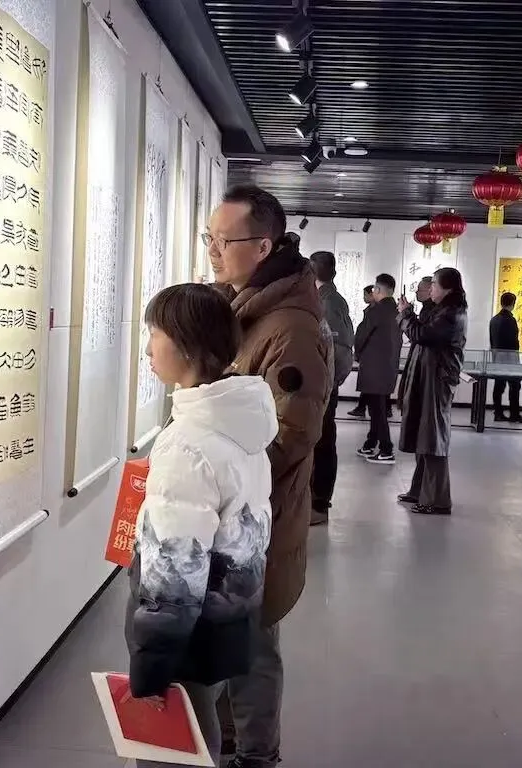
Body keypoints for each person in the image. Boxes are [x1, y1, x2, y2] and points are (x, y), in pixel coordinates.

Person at [125, 284, 277, 768]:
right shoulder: (242, 422)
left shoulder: (188, 444)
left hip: (187, 621)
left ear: (186, 344)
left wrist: (153, 661)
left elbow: (175, 570)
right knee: (201, 716)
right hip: (228, 606)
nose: (148, 349)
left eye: (155, 333)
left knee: (176, 735)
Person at [204, 184, 330, 768]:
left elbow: (292, 434)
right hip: (230, 509)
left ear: (262, 247)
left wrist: (217, 476)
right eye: (208, 238)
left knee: (252, 643)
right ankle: (231, 740)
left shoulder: (290, 328)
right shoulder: (243, 309)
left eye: (222, 240)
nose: (212, 250)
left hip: (257, 515)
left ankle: (256, 755)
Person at [396, 268, 468, 516]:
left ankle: (437, 499)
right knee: (423, 434)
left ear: (448, 288)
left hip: (437, 381)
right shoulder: (441, 309)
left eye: (435, 284)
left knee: (433, 436)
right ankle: (420, 491)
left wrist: (406, 315)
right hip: (427, 378)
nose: (431, 289)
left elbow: (423, 334)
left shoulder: (452, 313)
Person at [308, 251, 355, 526]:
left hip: (325, 382)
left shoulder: (328, 302)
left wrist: (327, 379)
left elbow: (336, 347)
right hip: (325, 380)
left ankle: (319, 503)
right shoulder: (328, 298)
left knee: (323, 441)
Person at [354, 273, 401, 465]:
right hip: (388, 366)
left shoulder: (376, 311)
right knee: (377, 407)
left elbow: (361, 335)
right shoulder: (397, 311)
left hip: (374, 367)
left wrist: (357, 354)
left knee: (378, 411)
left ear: (378, 290)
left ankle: (386, 449)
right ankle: (370, 443)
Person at [489, 291, 522, 423]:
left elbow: (492, 341)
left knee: (498, 386)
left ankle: (498, 412)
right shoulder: (510, 320)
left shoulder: (494, 320)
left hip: (497, 357)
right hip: (510, 357)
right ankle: (514, 414)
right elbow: (513, 341)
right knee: (515, 386)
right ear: (513, 303)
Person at [395, 275, 434, 410]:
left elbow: (418, 335)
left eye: (420, 289)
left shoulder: (433, 311)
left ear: (431, 290)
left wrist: (406, 313)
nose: (416, 292)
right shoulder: (427, 309)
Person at [348, 284, 376, 419]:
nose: (364, 298)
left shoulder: (374, 312)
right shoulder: (371, 311)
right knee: (369, 382)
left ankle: (362, 407)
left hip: (370, 352)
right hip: (369, 352)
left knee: (369, 382)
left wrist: (358, 350)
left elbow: (364, 334)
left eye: (365, 295)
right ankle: (361, 407)